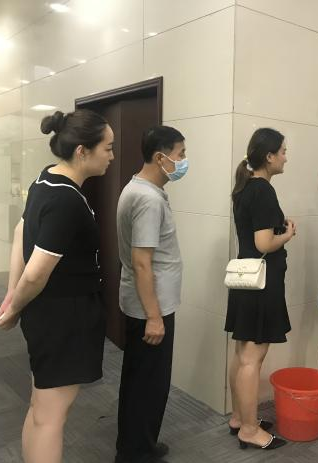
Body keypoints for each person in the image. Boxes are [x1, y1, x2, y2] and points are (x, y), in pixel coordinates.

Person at [0, 109, 114, 463]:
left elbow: (21, 231)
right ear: (82, 151)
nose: (111, 155)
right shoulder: (66, 200)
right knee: (51, 417)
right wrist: (14, 305)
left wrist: (11, 294)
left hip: (48, 313)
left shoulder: (45, 179)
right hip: (64, 318)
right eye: (107, 148)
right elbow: (36, 273)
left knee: (41, 407)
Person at [114, 126, 186, 463]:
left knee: (139, 380)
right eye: (180, 154)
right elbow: (142, 262)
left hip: (145, 304)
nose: (183, 161)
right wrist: (154, 317)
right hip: (150, 309)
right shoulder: (147, 199)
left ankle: (137, 444)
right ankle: (136, 453)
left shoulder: (139, 189)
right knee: (149, 384)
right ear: (160, 157)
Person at [225, 128, 295, 450]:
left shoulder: (244, 187)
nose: (285, 157)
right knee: (253, 357)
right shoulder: (263, 190)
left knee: (243, 354)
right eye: (283, 152)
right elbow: (264, 243)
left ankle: (240, 418)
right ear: (269, 156)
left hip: (246, 280)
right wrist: (287, 234)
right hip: (262, 283)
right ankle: (250, 430)